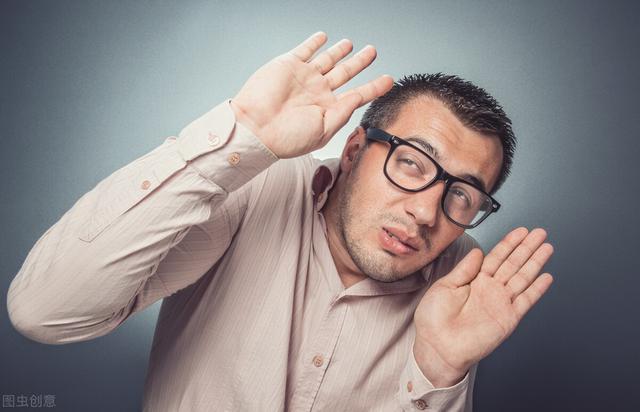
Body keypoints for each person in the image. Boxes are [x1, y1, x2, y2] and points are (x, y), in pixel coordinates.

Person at [7, 32, 554, 411]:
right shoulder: (256, 188)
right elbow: (44, 312)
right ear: (355, 150)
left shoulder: (464, 281)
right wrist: (235, 140)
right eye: (411, 163)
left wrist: (438, 373)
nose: (426, 211)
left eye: (462, 194)